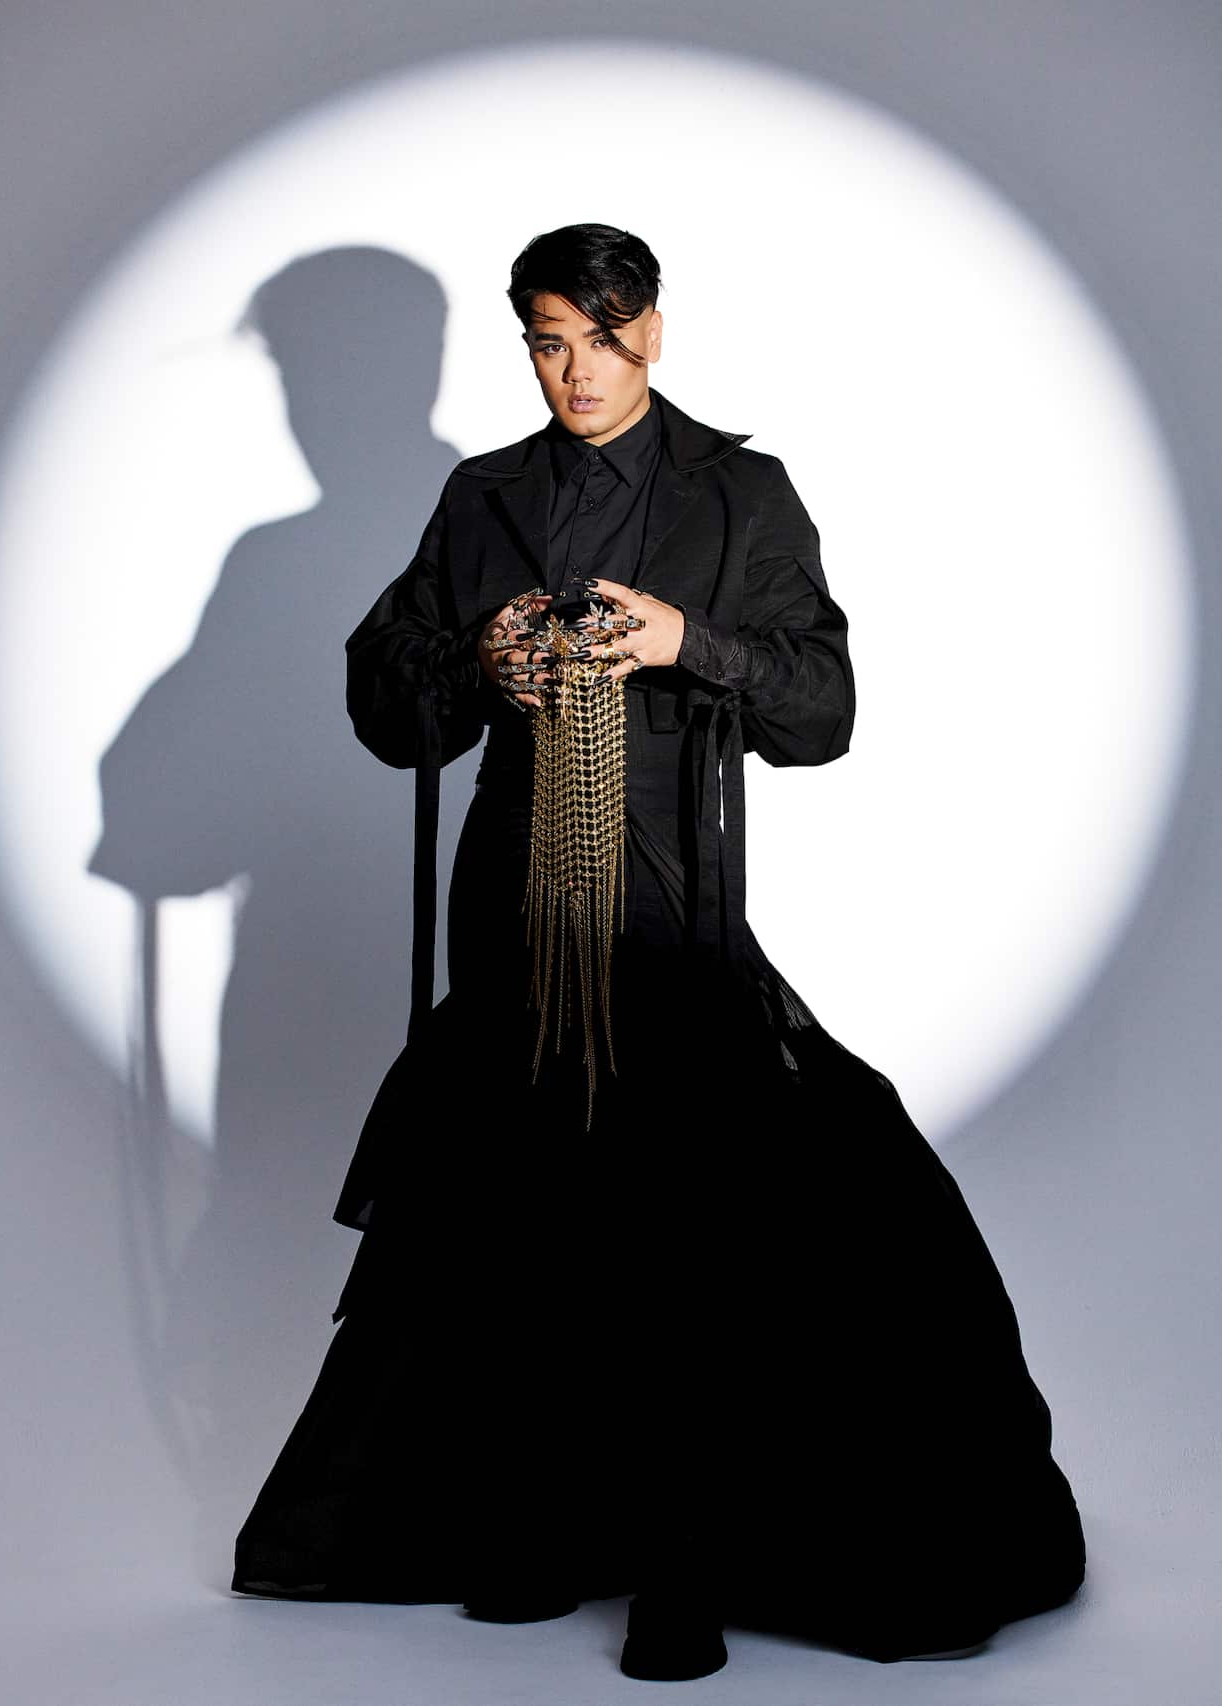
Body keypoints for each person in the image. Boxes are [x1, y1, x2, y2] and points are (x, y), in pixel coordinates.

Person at [231, 223, 1087, 1680]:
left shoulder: (741, 494)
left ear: (655, 334)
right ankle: (527, 1536)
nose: (577, 371)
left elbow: (823, 712)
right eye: (548, 342)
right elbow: (388, 708)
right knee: (514, 1231)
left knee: (692, 1244)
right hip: (516, 920)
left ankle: (684, 1573)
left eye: (603, 338)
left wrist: (691, 641)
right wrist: (479, 660)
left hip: (673, 919)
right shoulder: (484, 496)